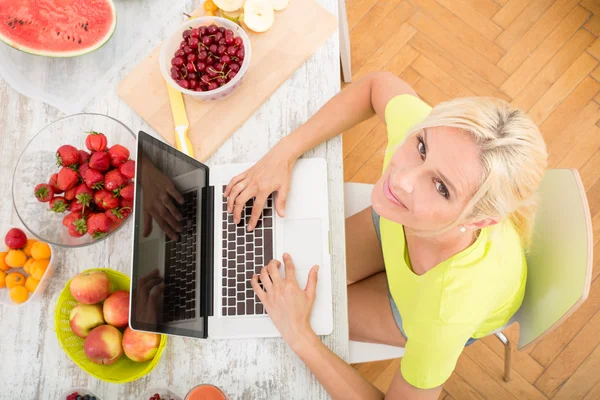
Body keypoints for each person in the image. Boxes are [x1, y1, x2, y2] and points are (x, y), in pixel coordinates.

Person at [223, 72, 548, 399]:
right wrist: (283, 153)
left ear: (480, 221)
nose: (402, 177)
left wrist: (300, 335)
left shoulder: (445, 315)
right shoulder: (432, 146)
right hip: (396, 227)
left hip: (419, 307)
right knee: (272, 281)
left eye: (441, 187)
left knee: (290, 312)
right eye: (421, 146)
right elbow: (377, 84)